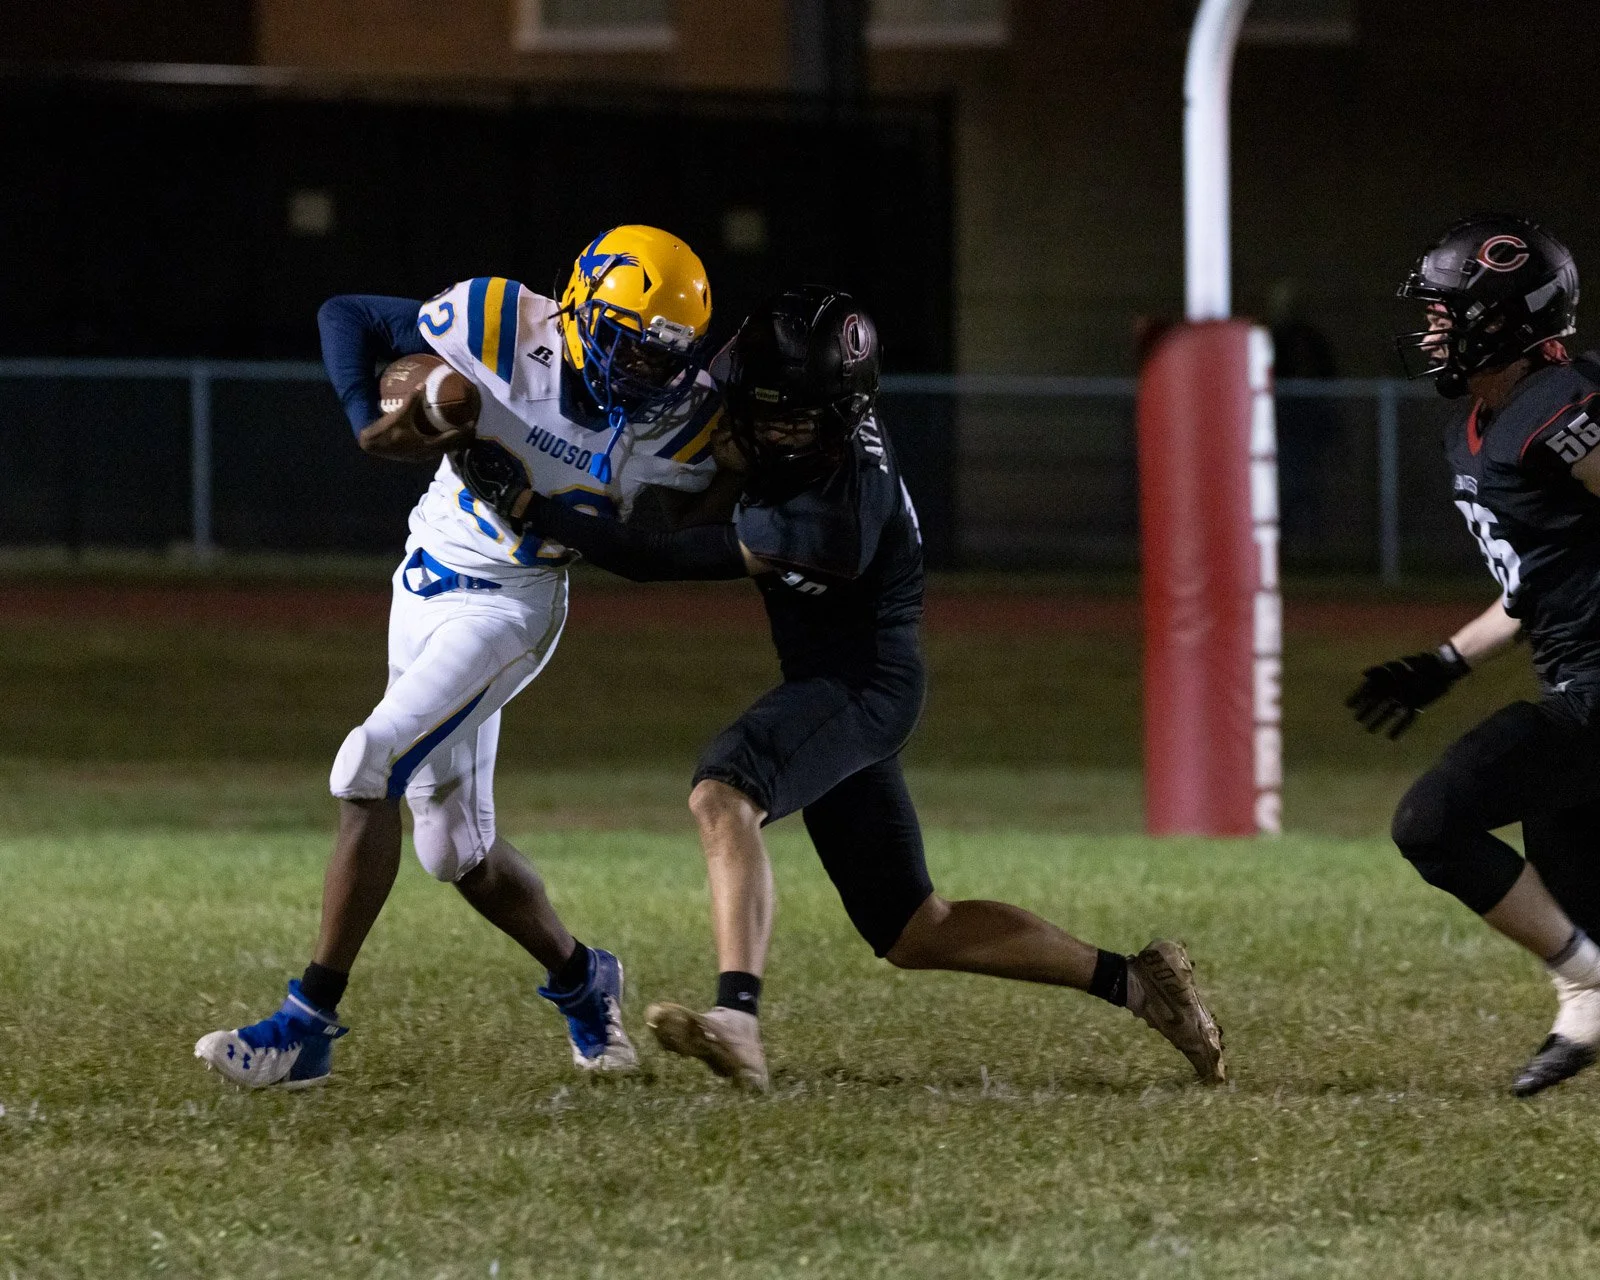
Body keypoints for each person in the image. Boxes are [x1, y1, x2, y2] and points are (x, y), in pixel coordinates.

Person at [458, 286, 1226, 1091]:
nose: (772, 429)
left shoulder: (834, 511)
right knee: (915, 929)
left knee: (725, 792)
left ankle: (738, 1017)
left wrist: (531, 505)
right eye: (762, 410)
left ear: (840, 411)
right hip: (837, 682)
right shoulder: (774, 403)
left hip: (863, 686)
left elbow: (658, 553)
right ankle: (1138, 983)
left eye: (793, 419)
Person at [195, 226, 721, 1087]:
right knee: (455, 852)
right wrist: (370, 422)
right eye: (629, 345)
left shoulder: (687, 423)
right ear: (581, 309)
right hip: (423, 572)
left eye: (664, 357)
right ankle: (584, 979)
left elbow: (687, 536)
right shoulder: (503, 322)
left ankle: (305, 1026)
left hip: (511, 606)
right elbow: (348, 316)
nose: (643, 371)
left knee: (368, 761)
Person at [1349, 213, 1600, 1095]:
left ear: (1502, 318)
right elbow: (1537, 584)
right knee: (1578, 904)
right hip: (1571, 679)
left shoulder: (1561, 410)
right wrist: (1446, 662)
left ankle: (1588, 990)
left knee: (1432, 822)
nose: (1430, 330)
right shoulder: (1482, 427)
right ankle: (1588, 999)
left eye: (1445, 313)